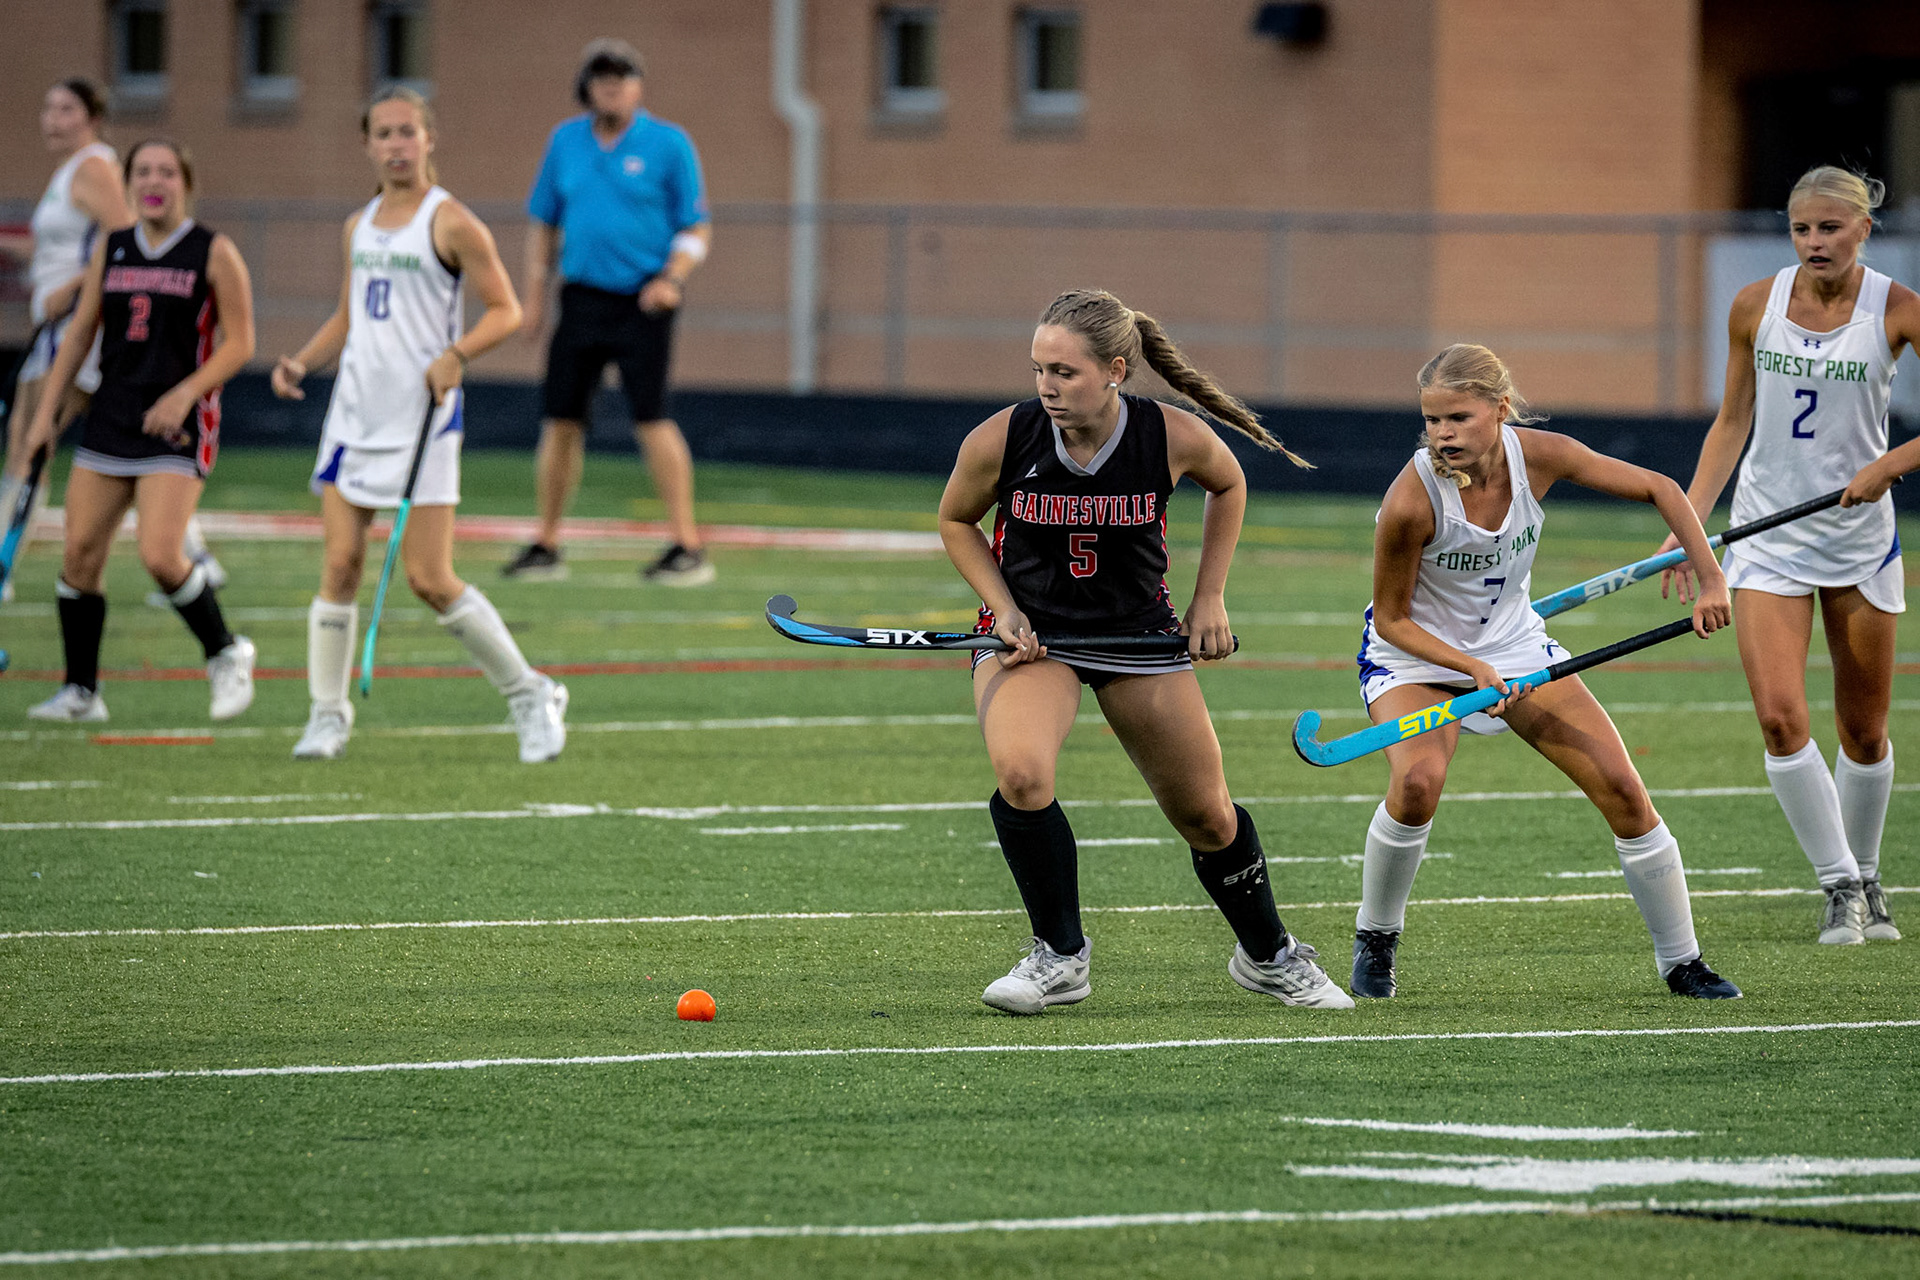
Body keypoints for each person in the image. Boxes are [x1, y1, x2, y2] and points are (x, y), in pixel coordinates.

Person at [938, 287, 1352, 1015]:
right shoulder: (1004, 436)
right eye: (1038, 369)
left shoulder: (1170, 435)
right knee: (1023, 774)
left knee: (1208, 817)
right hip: (1036, 640)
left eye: (1064, 372)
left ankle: (1268, 956)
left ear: (1116, 371)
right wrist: (1002, 609)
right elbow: (956, 520)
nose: (1046, 386)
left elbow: (1229, 483)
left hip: (1138, 635)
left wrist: (1209, 596)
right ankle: (1060, 957)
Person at [1346, 343, 1742, 1001]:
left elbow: (1662, 488)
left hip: (1514, 646)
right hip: (1417, 657)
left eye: (1459, 418)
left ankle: (1683, 963)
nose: (1443, 434)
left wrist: (1710, 578)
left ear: (1500, 409)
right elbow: (1391, 621)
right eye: (1433, 420)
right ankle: (1376, 937)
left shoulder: (1541, 457)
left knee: (1623, 789)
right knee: (1417, 782)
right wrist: (1471, 668)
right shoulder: (1411, 501)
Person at [1660, 166, 1919, 946]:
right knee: (1779, 719)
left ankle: (1867, 876)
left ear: (1864, 229)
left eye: (1830, 228)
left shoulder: (1898, 310)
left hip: (1859, 543)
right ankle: (1839, 886)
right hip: (1767, 536)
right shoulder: (1754, 305)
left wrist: (1890, 464)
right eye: (1802, 228)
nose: (1814, 242)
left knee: (1863, 732)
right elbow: (1731, 420)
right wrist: (1689, 522)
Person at [271, 88, 565, 763]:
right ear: (367, 144)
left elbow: (506, 310)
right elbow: (350, 316)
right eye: (383, 133)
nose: (396, 145)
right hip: (355, 414)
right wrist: (303, 362)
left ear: (430, 138)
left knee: (430, 578)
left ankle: (530, 693)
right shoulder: (358, 225)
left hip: (423, 420)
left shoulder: (452, 221)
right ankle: (326, 714)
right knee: (339, 565)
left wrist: (456, 355)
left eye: (407, 131)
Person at [20, 138, 255, 723]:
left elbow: (241, 344)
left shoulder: (213, 251)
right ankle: (81, 693)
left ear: (186, 183)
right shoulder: (114, 246)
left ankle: (226, 653)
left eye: (166, 172)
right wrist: (44, 417)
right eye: (143, 172)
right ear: (129, 184)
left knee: (160, 556)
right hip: (112, 416)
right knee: (79, 554)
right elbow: (80, 333)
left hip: (177, 426)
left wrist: (184, 394)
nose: (154, 182)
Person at [503, 37, 713, 586]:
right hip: (581, 298)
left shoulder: (668, 144)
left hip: (644, 299)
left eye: (621, 77)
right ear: (586, 87)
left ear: (639, 86)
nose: (612, 87)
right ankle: (546, 542)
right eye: (602, 78)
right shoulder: (566, 141)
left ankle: (687, 544)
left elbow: (696, 228)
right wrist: (534, 297)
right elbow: (544, 223)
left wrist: (672, 278)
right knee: (561, 419)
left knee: (652, 416)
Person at [0, 80, 132, 604]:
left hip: (80, 328)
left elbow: (123, 236)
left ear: (92, 117)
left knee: (30, 439)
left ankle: (2, 563)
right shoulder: (68, 172)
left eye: (66, 109)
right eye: (48, 108)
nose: (52, 119)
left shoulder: (94, 168)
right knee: (37, 435)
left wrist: (75, 289)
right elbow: (50, 248)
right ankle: (194, 556)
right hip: (56, 325)